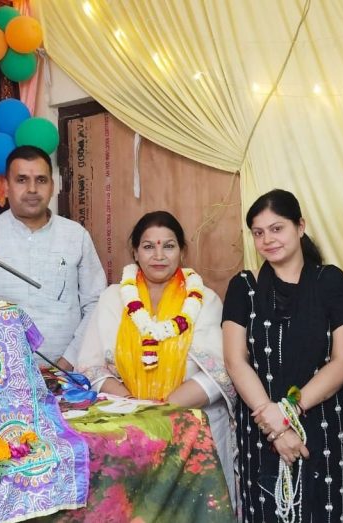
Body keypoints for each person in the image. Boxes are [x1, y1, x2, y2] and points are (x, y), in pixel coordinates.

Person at [75, 210, 237, 496]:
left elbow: (218, 372)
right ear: (135, 252)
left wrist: (160, 411)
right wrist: (135, 409)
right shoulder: (113, 299)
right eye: (149, 246)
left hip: (194, 429)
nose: (159, 255)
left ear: (182, 251)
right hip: (128, 429)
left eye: (169, 246)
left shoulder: (205, 300)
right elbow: (90, 366)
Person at [223, 189, 343, 522]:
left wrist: (289, 411)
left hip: (324, 426)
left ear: (300, 226)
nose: (267, 239)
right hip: (262, 428)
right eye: (258, 232)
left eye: (277, 228)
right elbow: (235, 361)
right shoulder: (244, 287)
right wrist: (276, 427)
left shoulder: (331, 282)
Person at [0, 146, 106, 369]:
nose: (32, 189)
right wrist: (3, 366)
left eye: (41, 180)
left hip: (71, 373)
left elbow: (95, 303)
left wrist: (68, 361)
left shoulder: (76, 236)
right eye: (22, 180)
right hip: (1, 372)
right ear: (6, 186)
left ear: (52, 186)